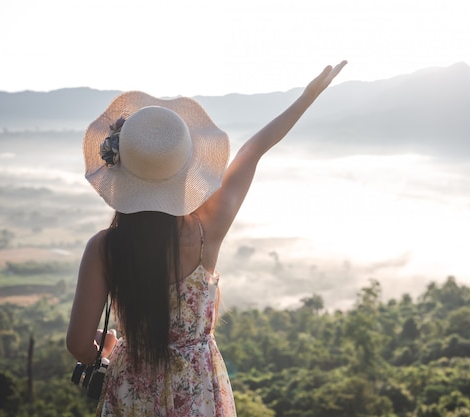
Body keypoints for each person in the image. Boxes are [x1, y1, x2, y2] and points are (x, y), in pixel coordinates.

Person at [66, 61, 347, 416]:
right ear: (184, 171)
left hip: (131, 395)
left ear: (121, 170)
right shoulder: (205, 232)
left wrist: (103, 351)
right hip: (197, 392)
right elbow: (253, 150)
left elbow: (78, 343)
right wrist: (307, 97)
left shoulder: (104, 248)